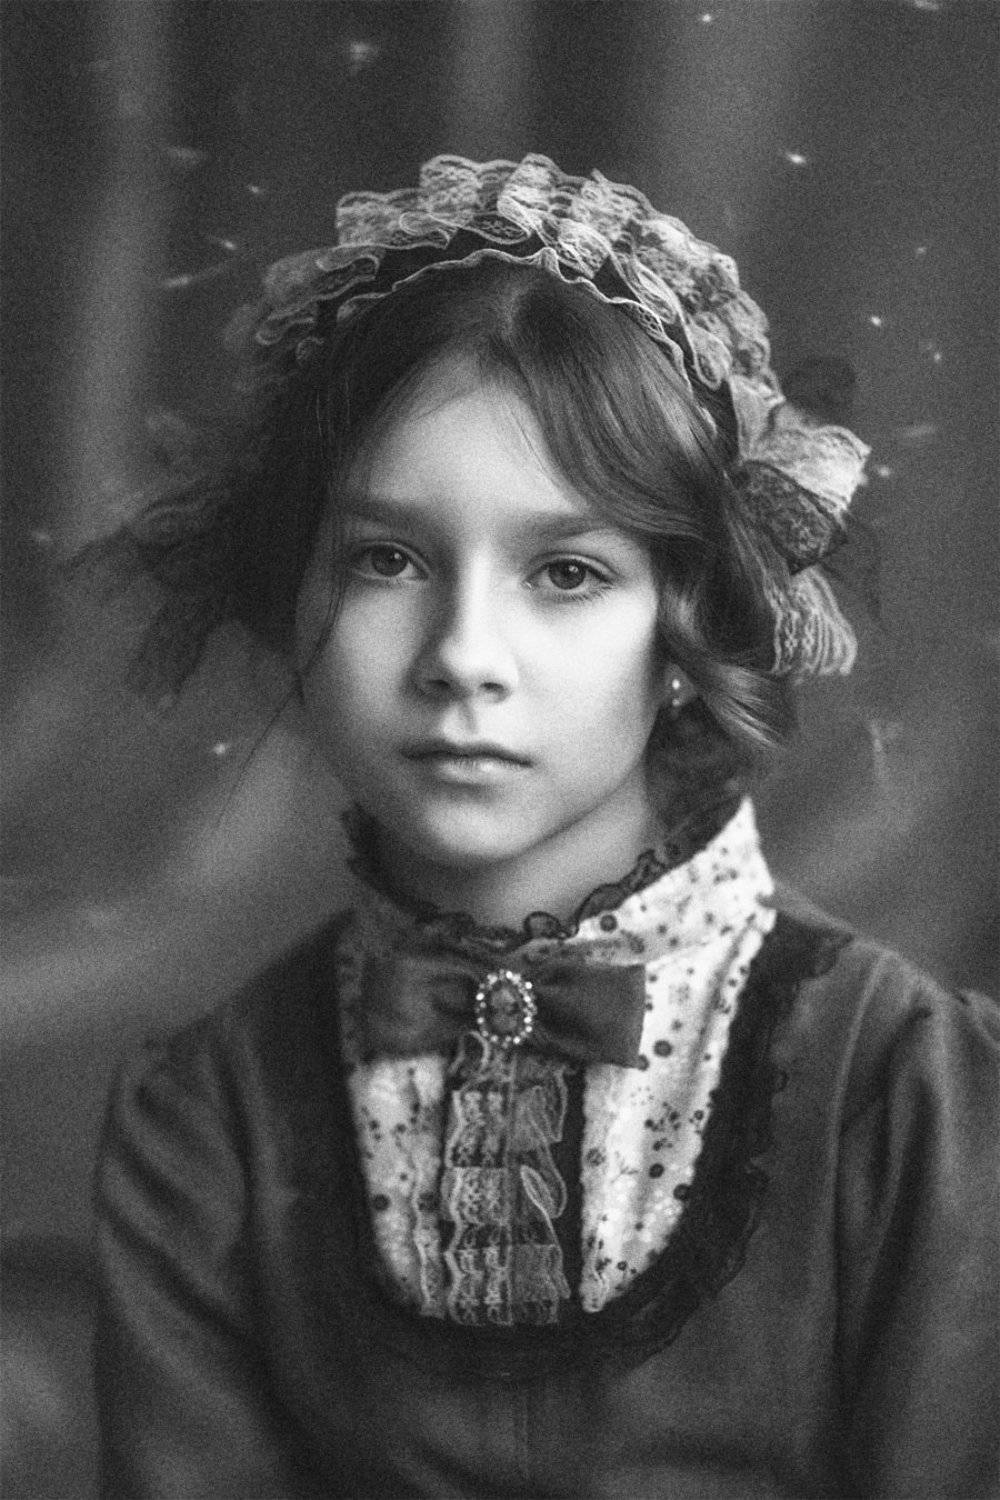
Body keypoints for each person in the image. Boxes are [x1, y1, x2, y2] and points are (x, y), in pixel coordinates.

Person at [90, 154, 998, 1498]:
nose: (464, 655)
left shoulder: (909, 1091)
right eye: (387, 560)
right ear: (293, 594)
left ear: (689, 628)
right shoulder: (207, 1122)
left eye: (567, 572)